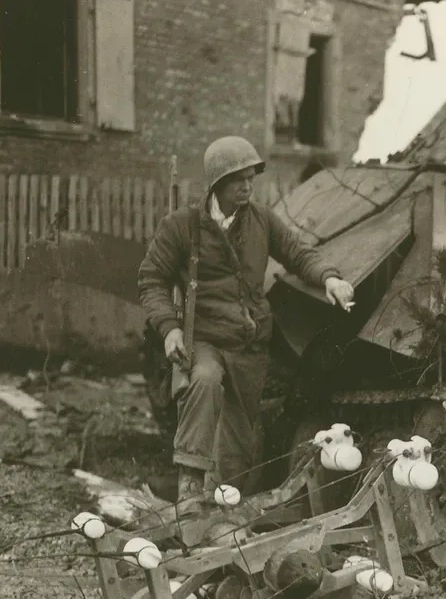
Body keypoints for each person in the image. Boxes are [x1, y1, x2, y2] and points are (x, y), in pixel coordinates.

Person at [138, 136, 355, 507]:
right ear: (217, 184)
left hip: (249, 346)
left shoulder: (261, 220)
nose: (247, 185)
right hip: (203, 339)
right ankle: (189, 493)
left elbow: (298, 252)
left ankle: (221, 511)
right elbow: (151, 280)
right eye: (238, 178)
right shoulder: (181, 226)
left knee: (239, 439)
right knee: (204, 381)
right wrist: (170, 328)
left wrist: (329, 278)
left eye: (251, 177)